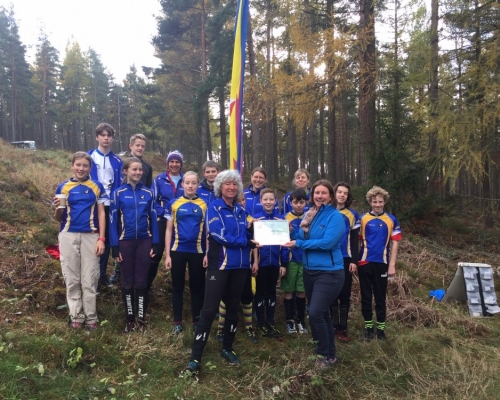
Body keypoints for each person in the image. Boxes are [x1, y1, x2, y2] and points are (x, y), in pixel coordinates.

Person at [182, 170, 258, 377]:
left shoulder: (242, 212)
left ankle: (227, 348)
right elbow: (219, 234)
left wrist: (261, 231)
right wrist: (247, 242)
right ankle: (195, 357)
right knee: (209, 310)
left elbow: (247, 233)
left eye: (235, 185)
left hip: (240, 267)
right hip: (221, 266)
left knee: (233, 308)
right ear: (220, 187)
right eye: (227, 184)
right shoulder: (214, 207)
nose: (231, 188)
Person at [283, 179, 344, 369]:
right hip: (310, 272)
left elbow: (327, 243)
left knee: (315, 312)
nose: (319, 196)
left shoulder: (335, 217)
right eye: (316, 193)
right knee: (322, 313)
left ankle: (322, 355)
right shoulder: (309, 214)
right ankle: (330, 354)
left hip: (330, 273)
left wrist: (299, 244)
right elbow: (300, 236)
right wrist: (288, 232)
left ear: (330, 196)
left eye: (323, 193)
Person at [54, 152, 108, 331]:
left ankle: (91, 319)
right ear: (72, 165)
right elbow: (58, 218)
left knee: (89, 278)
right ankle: (76, 317)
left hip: (90, 236)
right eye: (78, 165)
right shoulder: (63, 186)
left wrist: (101, 238)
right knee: (72, 278)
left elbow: (101, 213)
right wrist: (57, 208)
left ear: (90, 168)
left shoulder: (96, 186)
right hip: (68, 235)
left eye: (85, 166)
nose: (81, 169)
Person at [109, 158, 160, 333]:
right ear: (125, 171)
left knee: (141, 281)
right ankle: (129, 320)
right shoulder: (118, 193)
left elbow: (154, 219)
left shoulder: (149, 193)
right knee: (127, 281)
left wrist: (156, 243)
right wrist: (114, 246)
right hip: (125, 242)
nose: (138, 172)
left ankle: (141, 319)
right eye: (134, 169)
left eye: (140, 170)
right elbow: (112, 222)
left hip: (145, 241)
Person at [164, 171, 207, 335]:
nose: (190, 186)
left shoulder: (204, 204)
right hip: (177, 251)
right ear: (182, 185)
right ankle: (177, 322)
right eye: (187, 183)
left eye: (193, 183)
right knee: (177, 287)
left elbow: (208, 232)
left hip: (197, 251)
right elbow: (168, 231)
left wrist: (207, 253)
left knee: (197, 287)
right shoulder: (173, 203)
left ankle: (196, 320)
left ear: (198, 185)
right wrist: (167, 255)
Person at [358, 186, 401, 341]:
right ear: (370, 202)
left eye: (380, 202)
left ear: (385, 202)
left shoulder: (391, 219)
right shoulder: (362, 219)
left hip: (382, 263)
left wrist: (392, 265)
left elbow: (395, 243)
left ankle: (381, 330)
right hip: (364, 262)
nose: (377, 204)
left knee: (380, 296)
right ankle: (368, 328)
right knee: (366, 296)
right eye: (374, 202)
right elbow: (355, 240)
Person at [215, 191, 259, 344]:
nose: (240, 203)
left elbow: (253, 241)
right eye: (237, 201)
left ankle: (249, 327)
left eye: (243, 201)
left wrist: (255, 261)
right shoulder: (224, 215)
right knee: (225, 296)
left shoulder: (249, 218)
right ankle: (221, 327)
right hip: (228, 262)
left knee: (247, 295)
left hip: (245, 264)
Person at [110, 133, 153, 285]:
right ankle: (117, 270)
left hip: (140, 207)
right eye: (137, 145)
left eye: (142, 146)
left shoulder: (147, 167)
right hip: (123, 206)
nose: (140, 148)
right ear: (131, 146)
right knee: (122, 238)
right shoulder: (122, 163)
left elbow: (148, 188)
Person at [87, 122, 123, 288]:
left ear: (112, 138)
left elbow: (119, 184)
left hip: (110, 205)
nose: (106, 138)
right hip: (92, 205)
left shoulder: (117, 161)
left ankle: (102, 277)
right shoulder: (88, 157)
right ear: (97, 137)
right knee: (93, 238)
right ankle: (92, 277)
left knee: (108, 240)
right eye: (103, 135)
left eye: (109, 135)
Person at [253, 188, 289, 338]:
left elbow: (284, 244)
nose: (268, 202)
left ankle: (270, 320)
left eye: (271, 200)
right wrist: (255, 261)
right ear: (260, 201)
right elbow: (254, 243)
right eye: (265, 199)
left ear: (276, 202)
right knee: (260, 292)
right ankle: (260, 322)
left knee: (272, 292)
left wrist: (283, 264)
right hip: (260, 264)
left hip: (275, 263)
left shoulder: (281, 221)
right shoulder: (256, 219)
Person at [149, 150, 185, 291]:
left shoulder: (186, 179)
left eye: (177, 162)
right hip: (163, 220)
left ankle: (177, 287)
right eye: (172, 161)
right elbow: (153, 200)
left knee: (176, 252)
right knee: (156, 251)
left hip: (181, 222)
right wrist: (164, 212)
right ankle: (146, 285)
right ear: (168, 163)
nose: (174, 164)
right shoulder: (159, 179)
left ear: (181, 164)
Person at [329, 182, 360, 343]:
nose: (342, 195)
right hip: (328, 258)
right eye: (339, 192)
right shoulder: (326, 211)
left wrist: (354, 260)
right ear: (334, 193)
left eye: (345, 193)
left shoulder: (352, 215)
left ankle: (344, 327)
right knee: (332, 293)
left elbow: (355, 241)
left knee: (345, 294)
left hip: (345, 258)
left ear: (348, 197)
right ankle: (334, 326)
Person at [281, 188, 308, 335]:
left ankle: (301, 320)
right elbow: (281, 243)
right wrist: (283, 263)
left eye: (301, 202)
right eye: (295, 202)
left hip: (304, 260)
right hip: (290, 260)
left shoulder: (310, 218)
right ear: (290, 203)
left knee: (302, 290)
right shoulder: (284, 218)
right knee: (289, 290)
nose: (298, 205)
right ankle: (290, 320)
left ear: (306, 202)